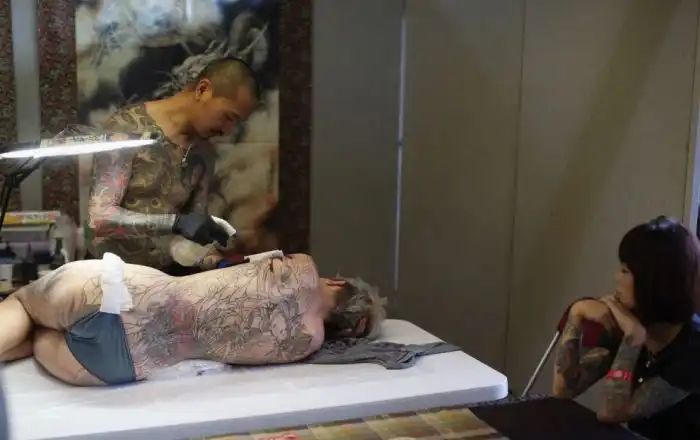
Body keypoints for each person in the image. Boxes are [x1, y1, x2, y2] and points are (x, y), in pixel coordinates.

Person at [0, 252, 386, 387]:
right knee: (37, 334)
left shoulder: (303, 266)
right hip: (117, 362)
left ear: (338, 283)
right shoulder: (307, 344)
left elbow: (233, 264)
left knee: (24, 305)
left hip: (118, 291)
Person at [82, 57, 260, 272]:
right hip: (108, 276)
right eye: (228, 117)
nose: (228, 130)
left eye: (236, 123)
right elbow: (100, 218)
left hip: (162, 280)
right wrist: (175, 222)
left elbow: (187, 235)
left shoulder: (204, 152)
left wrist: (213, 259)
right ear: (203, 90)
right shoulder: (127, 128)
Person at [551, 216, 700, 439]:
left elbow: (610, 413)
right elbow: (564, 390)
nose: (616, 277)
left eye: (625, 270)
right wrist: (576, 314)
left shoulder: (693, 351)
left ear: (654, 282)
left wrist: (632, 339)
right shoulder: (628, 323)